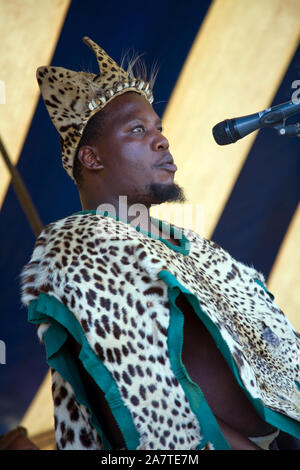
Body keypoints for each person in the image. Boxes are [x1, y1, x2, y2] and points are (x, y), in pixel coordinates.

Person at [20, 36, 300, 451]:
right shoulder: (79, 244)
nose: (162, 140)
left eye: (158, 128)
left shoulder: (196, 248)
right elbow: (150, 407)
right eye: (137, 130)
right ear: (92, 158)